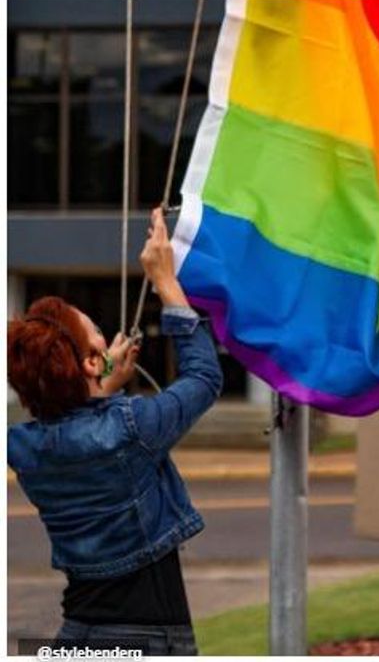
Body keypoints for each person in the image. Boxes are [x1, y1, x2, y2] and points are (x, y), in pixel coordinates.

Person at [7, 208, 223, 655]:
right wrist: (165, 279)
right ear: (89, 362)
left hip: (77, 634)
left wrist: (102, 388)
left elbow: (77, 429)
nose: (108, 340)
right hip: (146, 638)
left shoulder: (24, 447)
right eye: (99, 335)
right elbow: (204, 377)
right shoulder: (132, 428)